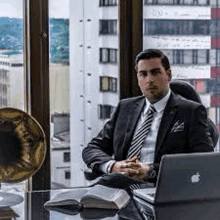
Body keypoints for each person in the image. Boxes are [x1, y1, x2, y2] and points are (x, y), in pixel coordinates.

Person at [82, 49, 214, 187]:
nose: (149, 80)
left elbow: (203, 163)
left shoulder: (190, 111)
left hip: (159, 190)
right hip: (118, 189)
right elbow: (92, 148)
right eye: (143, 74)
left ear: (168, 74)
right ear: (138, 78)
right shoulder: (125, 107)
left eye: (155, 72)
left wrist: (150, 171)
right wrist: (113, 166)